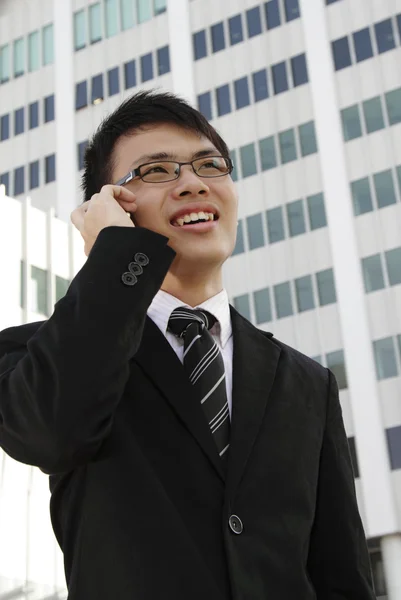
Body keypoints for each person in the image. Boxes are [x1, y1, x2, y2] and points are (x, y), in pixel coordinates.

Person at [0, 90, 376, 599]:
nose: (193, 183)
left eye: (209, 164)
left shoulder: (306, 382)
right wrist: (116, 258)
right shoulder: (46, 355)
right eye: (156, 171)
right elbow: (49, 434)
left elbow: (340, 574)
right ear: (109, 207)